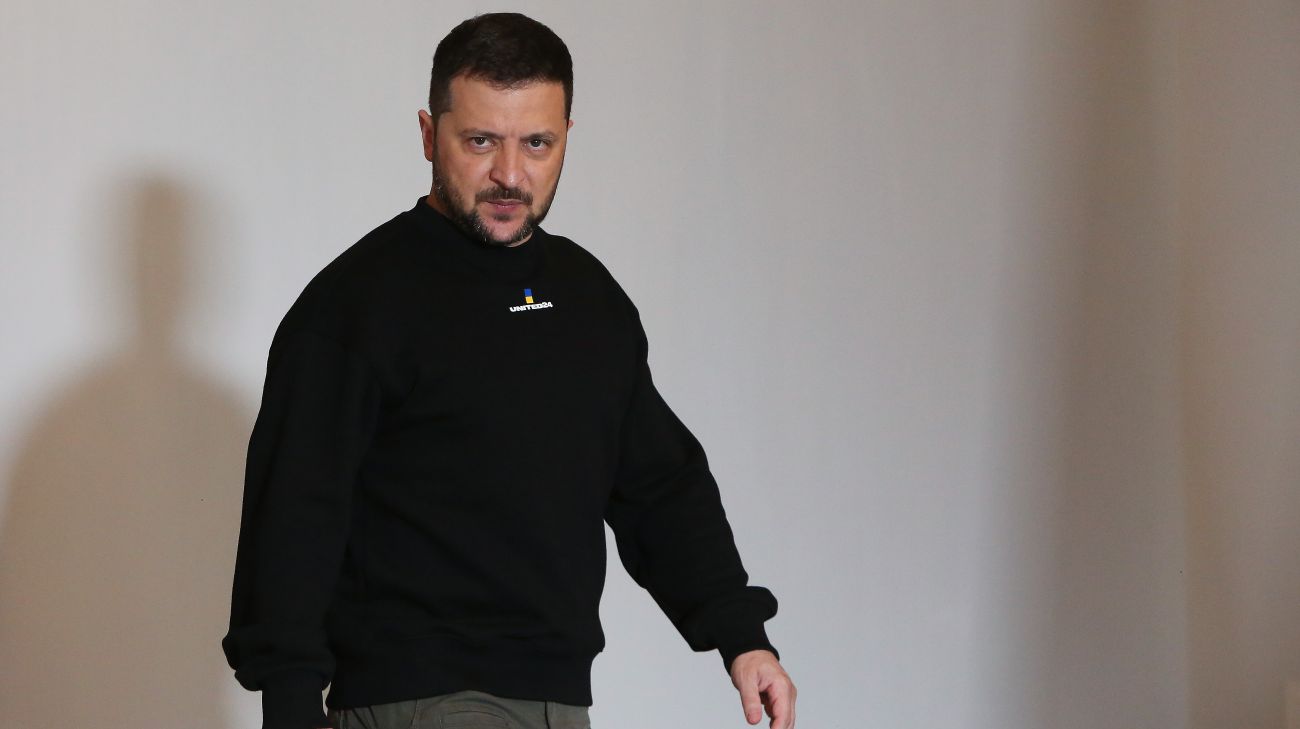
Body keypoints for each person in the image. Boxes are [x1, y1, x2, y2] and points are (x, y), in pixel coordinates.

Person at [221, 12, 797, 729]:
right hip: (423, 697)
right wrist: (290, 703)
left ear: (567, 139)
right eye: (481, 141)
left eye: (536, 143)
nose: (510, 175)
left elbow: (658, 485)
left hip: (556, 699)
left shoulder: (587, 298)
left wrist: (741, 635)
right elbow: (294, 513)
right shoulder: (358, 304)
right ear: (429, 135)